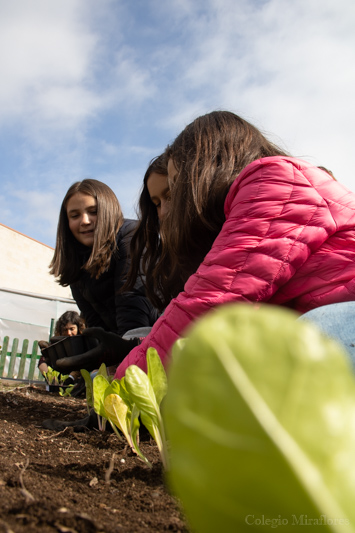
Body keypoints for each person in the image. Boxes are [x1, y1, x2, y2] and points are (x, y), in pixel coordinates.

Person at [51, 111, 355, 382]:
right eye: (158, 202)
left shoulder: (275, 180)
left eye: (177, 186)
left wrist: (124, 388)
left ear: (204, 168)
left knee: (316, 333)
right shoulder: (247, 205)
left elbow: (210, 303)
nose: (171, 208)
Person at [47, 178, 159, 374]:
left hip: (153, 336)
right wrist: (94, 359)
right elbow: (94, 322)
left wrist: (122, 364)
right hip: (123, 341)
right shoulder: (76, 263)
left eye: (93, 211)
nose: (84, 221)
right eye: (74, 215)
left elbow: (132, 304)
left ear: (109, 210)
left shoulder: (132, 235)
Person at [38, 310, 86, 383]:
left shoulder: (85, 342)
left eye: (72, 329)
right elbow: (42, 362)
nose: (69, 333)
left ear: (78, 328)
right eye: (65, 330)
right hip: (60, 380)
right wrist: (50, 377)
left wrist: (72, 377)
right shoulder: (57, 344)